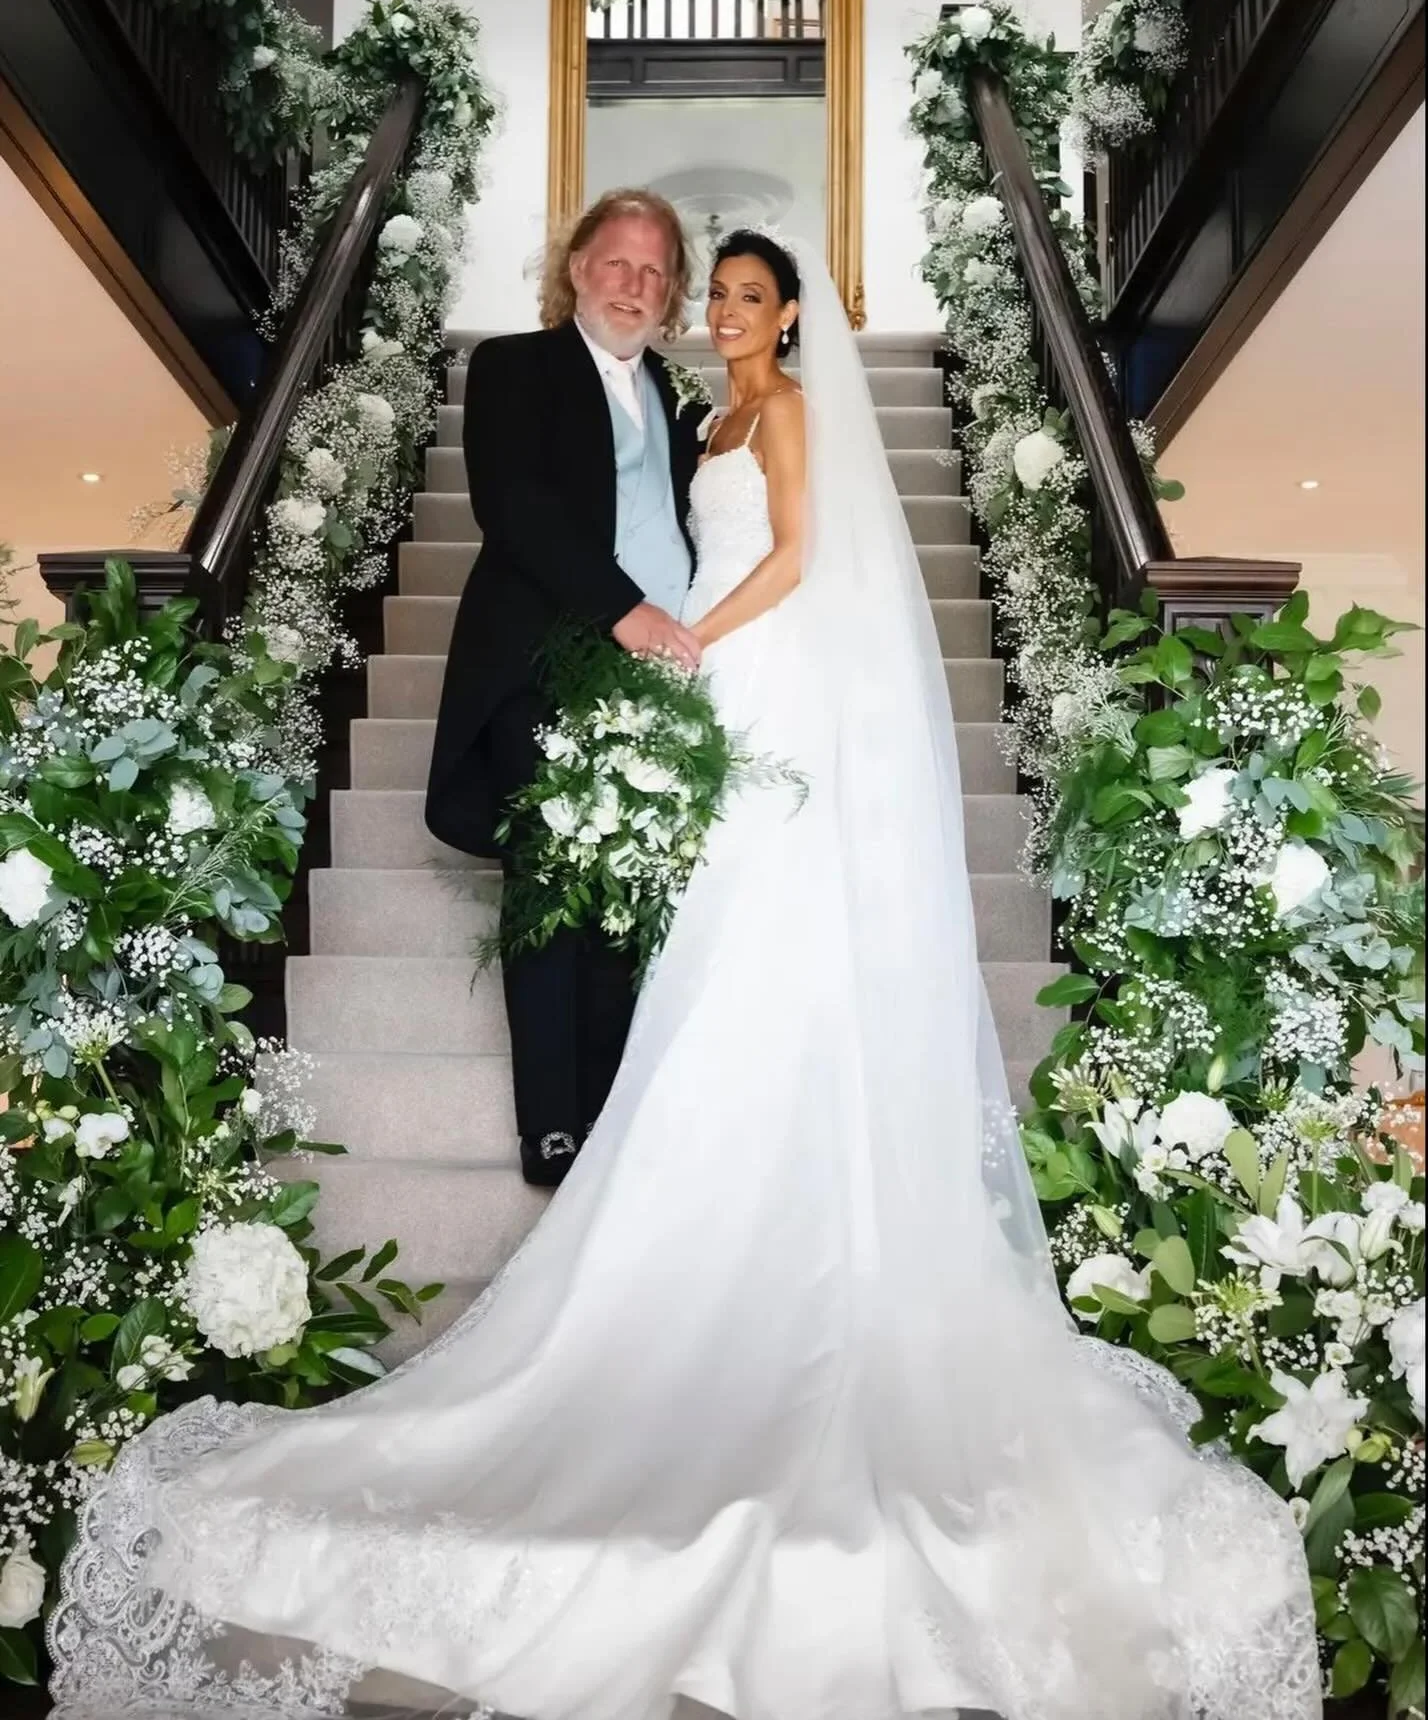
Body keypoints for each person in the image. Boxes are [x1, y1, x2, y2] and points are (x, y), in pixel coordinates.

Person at [49, 233, 1320, 1720]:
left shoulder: (776, 413)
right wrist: (660, 643)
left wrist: (689, 640)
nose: (712, 310)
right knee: (694, 950)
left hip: (745, 673)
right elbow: (579, 516)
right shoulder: (676, 403)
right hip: (685, 685)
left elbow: (794, 556)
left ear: (792, 314)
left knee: (758, 951)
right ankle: (614, 1147)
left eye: (740, 294)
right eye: (701, 289)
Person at [424, 189, 708, 1187]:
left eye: (653, 271)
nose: (632, 285)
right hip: (544, 657)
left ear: (672, 292)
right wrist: (623, 609)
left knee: (627, 893)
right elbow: (515, 506)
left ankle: (611, 1113)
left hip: (657, 679)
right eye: (616, 263)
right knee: (550, 886)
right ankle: (552, 1126)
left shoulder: (683, 397)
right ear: (578, 267)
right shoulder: (513, 367)